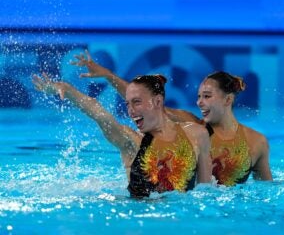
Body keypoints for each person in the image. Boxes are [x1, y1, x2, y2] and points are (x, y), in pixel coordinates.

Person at [71, 51, 273, 185]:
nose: (199, 102)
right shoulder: (192, 126)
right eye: (199, 96)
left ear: (228, 99)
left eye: (207, 97)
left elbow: (266, 191)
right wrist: (108, 75)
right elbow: (147, 104)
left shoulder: (257, 142)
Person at [32, 73, 212, 198]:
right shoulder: (131, 141)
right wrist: (68, 90)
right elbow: (100, 114)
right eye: (127, 104)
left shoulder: (197, 134)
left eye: (136, 102)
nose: (131, 111)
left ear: (157, 101)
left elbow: (205, 192)